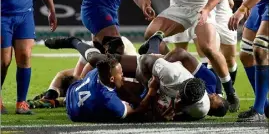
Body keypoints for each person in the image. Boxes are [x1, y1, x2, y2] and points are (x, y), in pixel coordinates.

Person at [140, 0, 239, 112]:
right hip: (178, 8)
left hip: (202, 7)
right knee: (150, 35)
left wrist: (207, 9)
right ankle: (170, 73)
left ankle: (230, 92)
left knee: (208, 48)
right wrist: (146, 0)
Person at [45, 36, 229, 120]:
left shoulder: (199, 109)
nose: (123, 74)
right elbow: (139, 110)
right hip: (153, 74)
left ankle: (78, 44)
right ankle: (154, 41)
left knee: (97, 62)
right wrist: (151, 87)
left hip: (85, 87)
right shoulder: (175, 75)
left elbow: (96, 66)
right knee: (138, 64)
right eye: (119, 73)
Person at [202, 0, 269, 122]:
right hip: (264, 0)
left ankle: (258, 111)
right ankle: (264, 106)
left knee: (261, 49)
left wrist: (242, 9)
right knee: (246, 54)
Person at [163, 0, 251, 90]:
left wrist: (245, 2)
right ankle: (217, 93)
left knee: (229, 59)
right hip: (207, 18)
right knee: (210, 56)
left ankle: (230, 89)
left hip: (225, 19)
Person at [1, 0, 57, 115]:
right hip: (2, 17)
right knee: (4, 61)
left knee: (25, 57)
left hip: (25, 16)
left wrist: (51, 9)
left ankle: (21, 103)